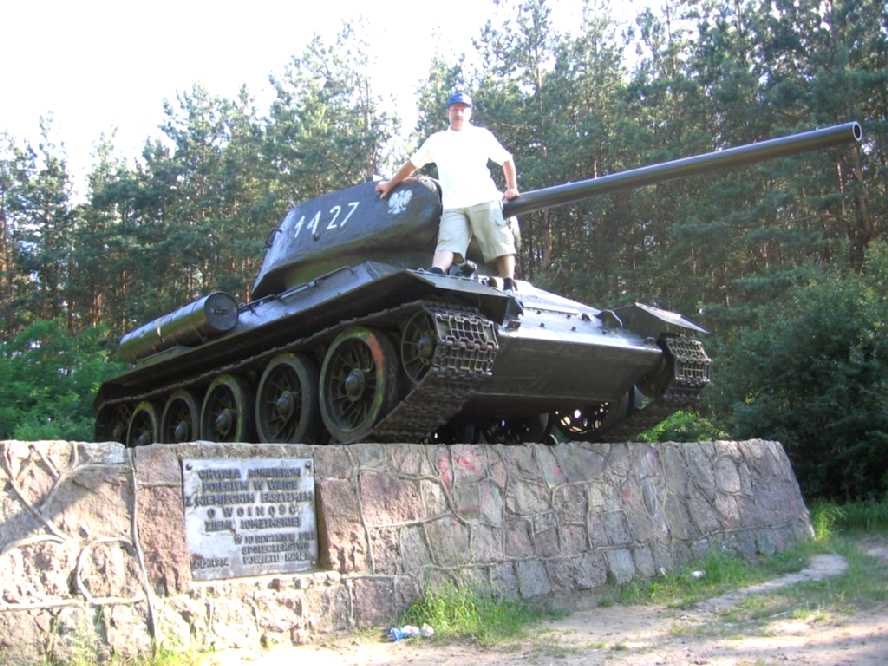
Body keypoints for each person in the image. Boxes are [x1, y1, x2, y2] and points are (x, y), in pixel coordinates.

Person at [375, 91, 521, 291]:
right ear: (448, 113)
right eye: (454, 109)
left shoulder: (481, 136)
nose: (458, 113)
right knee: (447, 243)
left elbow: (506, 160)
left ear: (469, 113)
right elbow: (412, 165)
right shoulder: (437, 140)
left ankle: (509, 283)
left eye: (462, 109)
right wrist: (390, 184)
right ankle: (436, 274)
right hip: (453, 205)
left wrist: (512, 187)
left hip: (483, 199)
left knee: (500, 243)